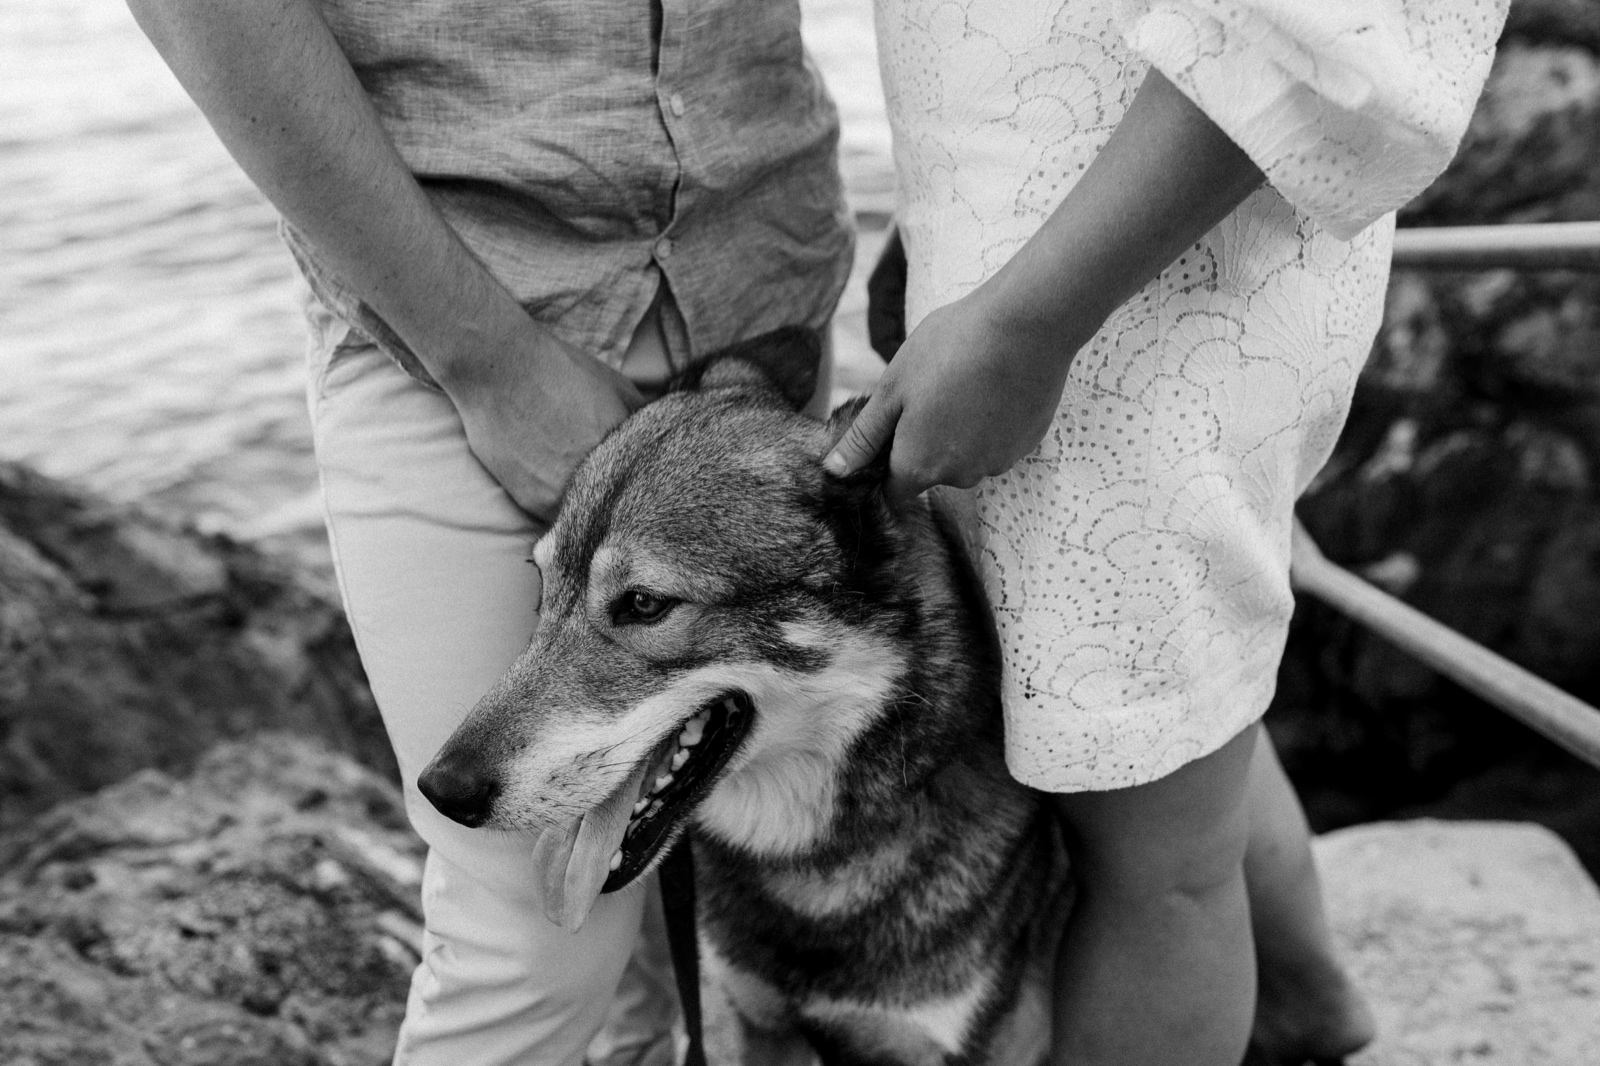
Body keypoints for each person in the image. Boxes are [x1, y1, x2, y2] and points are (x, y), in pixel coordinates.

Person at [125, 0, 853, 1063]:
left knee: (707, 908)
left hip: (761, 272)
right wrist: (487, 362)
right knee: (528, 939)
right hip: (450, 300)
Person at [828, 1, 1509, 1063]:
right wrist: (941, 244)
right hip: (1046, 272)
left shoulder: (1047, 319)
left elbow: (1340, 31)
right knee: (1173, 729)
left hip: (1116, 298)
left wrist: (1023, 319)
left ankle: (1287, 1002)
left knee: (1155, 861)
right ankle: (1305, 1003)